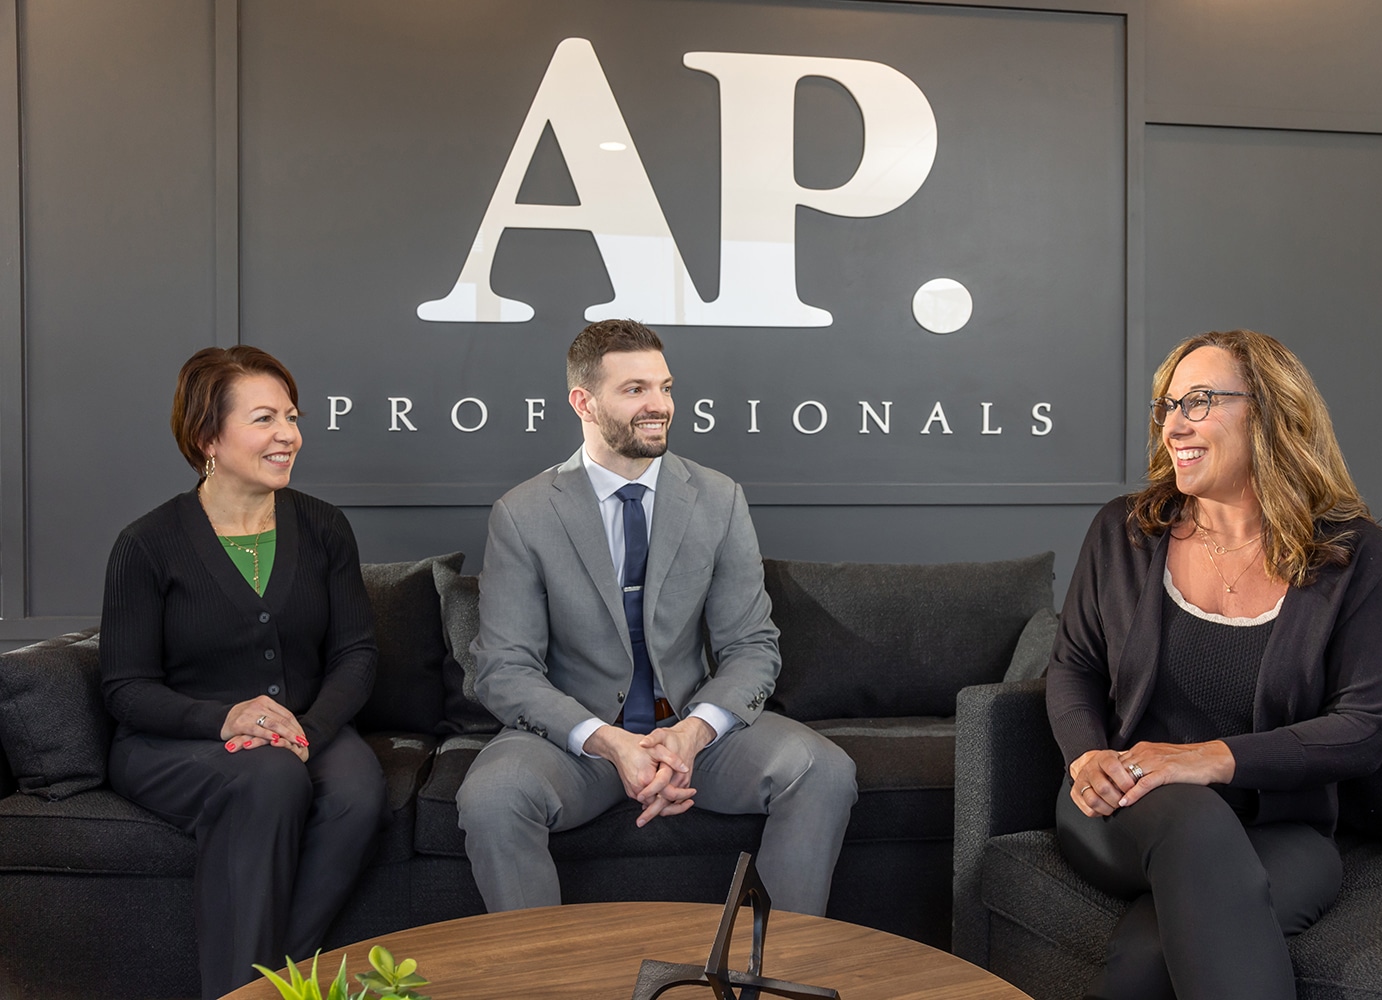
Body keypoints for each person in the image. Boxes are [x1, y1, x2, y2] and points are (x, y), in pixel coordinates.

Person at [1046, 329, 1382, 1000]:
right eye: (1168, 405)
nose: (1174, 424)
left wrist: (1208, 758)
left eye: (1200, 401)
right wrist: (1085, 755)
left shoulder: (1355, 556)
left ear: (1270, 414)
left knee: (1152, 954)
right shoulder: (1126, 531)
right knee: (1193, 819)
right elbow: (1072, 665)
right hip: (1122, 802)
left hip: (1285, 830)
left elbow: (1365, 727)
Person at [456, 318, 857, 915]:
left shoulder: (718, 498)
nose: (659, 406)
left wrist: (691, 736)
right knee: (491, 796)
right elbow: (505, 668)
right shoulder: (524, 513)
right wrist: (612, 742)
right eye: (635, 389)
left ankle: (772, 980)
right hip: (580, 743)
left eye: (665, 388)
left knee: (823, 770)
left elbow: (751, 645)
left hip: (691, 732)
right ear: (583, 402)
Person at [100, 346, 386, 1000]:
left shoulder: (323, 528)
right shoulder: (146, 545)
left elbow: (356, 654)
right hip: (177, 740)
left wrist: (307, 729)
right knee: (268, 777)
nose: (289, 435)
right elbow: (124, 688)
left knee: (357, 792)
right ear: (207, 437)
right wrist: (225, 717)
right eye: (265, 419)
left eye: (292, 416)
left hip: (304, 728)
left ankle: (264, 987)